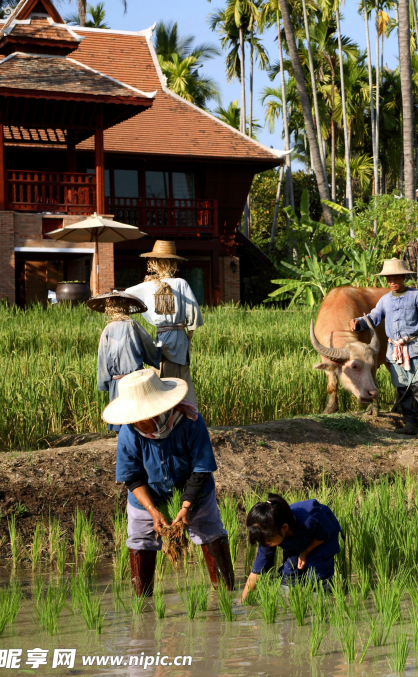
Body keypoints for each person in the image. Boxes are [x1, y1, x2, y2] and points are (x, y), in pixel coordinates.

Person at [107, 369, 234, 597]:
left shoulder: (189, 421)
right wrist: (152, 511)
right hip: (148, 496)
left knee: (210, 531)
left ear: (157, 412)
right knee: (140, 538)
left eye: (140, 417)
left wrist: (186, 506)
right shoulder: (129, 432)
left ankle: (226, 595)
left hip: (195, 492)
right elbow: (132, 476)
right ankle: (143, 603)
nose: (136, 422)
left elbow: (201, 468)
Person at [349, 258, 418, 439]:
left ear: (403, 277)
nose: (392, 282)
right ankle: (409, 424)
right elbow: (374, 317)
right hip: (395, 351)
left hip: (415, 348)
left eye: (396, 278)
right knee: (403, 388)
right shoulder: (385, 300)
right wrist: (359, 323)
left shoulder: (417, 296)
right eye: (389, 279)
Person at [127, 240, 203, 406]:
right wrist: (189, 335)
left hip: (161, 338)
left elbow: (126, 296)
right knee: (182, 382)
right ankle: (185, 417)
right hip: (179, 339)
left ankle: (161, 418)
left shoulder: (148, 286)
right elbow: (193, 313)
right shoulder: (181, 284)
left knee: (161, 382)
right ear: (175, 264)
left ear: (153, 263)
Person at [241, 494, 342, 601]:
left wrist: (306, 551)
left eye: (269, 541)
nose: (266, 544)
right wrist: (242, 602)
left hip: (322, 537)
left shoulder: (310, 518)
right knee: (289, 575)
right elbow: (257, 571)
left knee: (316, 576)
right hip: (295, 540)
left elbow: (325, 534)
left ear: (285, 528)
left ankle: (325, 599)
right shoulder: (267, 535)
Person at [87, 290, 161, 432]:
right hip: (135, 380)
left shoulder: (107, 329)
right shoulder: (133, 325)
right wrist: (159, 349)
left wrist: (104, 383)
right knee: (138, 420)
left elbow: (102, 360)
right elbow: (149, 348)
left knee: (122, 419)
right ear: (127, 308)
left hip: (117, 382)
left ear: (108, 309)